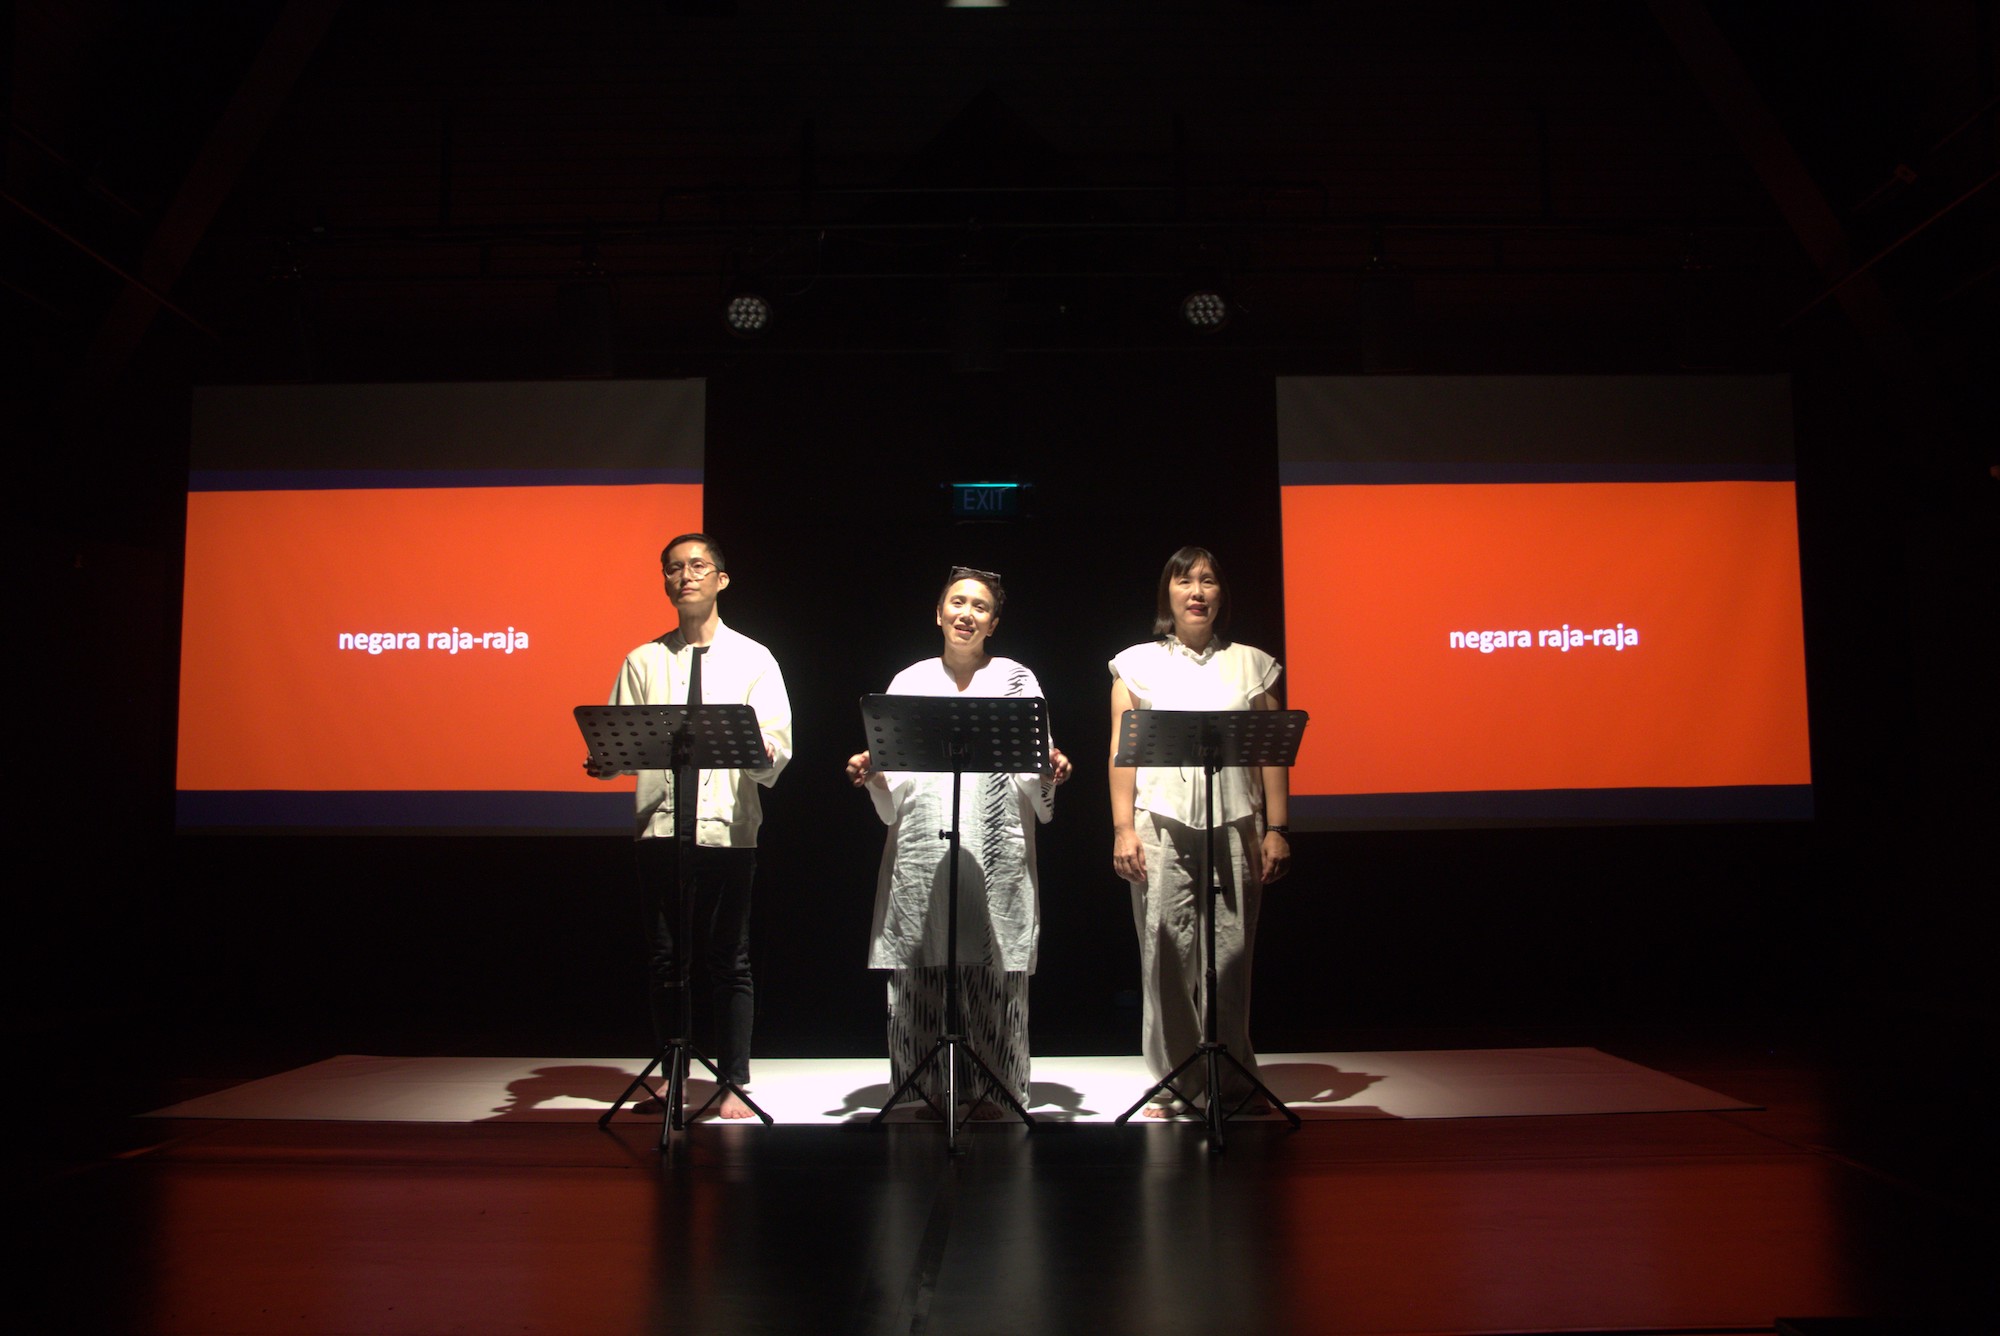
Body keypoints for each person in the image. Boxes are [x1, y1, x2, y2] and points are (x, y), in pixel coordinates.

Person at [845, 567, 1072, 1119]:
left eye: (979, 606)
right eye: (957, 602)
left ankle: (995, 1091)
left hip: (996, 849)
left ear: (993, 622)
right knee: (923, 963)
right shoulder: (909, 680)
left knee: (994, 969)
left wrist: (1052, 768)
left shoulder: (1018, 679)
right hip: (924, 844)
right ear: (939, 613)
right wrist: (873, 772)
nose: (966, 614)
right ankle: (924, 1091)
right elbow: (893, 783)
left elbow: (1037, 769)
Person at [587, 533, 792, 1119]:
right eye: (674, 568)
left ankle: (732, 1081)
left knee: (730, 957)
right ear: (665, 581)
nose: (686, 576)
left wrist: (756, 747)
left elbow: (778, 745)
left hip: (727, 830)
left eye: (698, 566)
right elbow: (620, 742)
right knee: (665, 959)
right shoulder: (642, 660)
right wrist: (607, 761)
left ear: (721, 579)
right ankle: (673, 1072)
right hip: (660, 830)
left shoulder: (755, 659)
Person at [1108, 545, 1291, 1117]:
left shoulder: (1253, 663)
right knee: (1165, 950)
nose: (1197, 591)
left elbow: (1273, 754)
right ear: (1169, 593)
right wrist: (1122, 828)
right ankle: (1175, 1080)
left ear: (1220, 594)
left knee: (1231, 953)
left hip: (1237, 821)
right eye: (1185, 581)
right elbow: (1121, 753)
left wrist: (1278, 827)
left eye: (1208, 581)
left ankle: (1231, 1079)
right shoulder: (1135, 663)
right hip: (1160, 823)